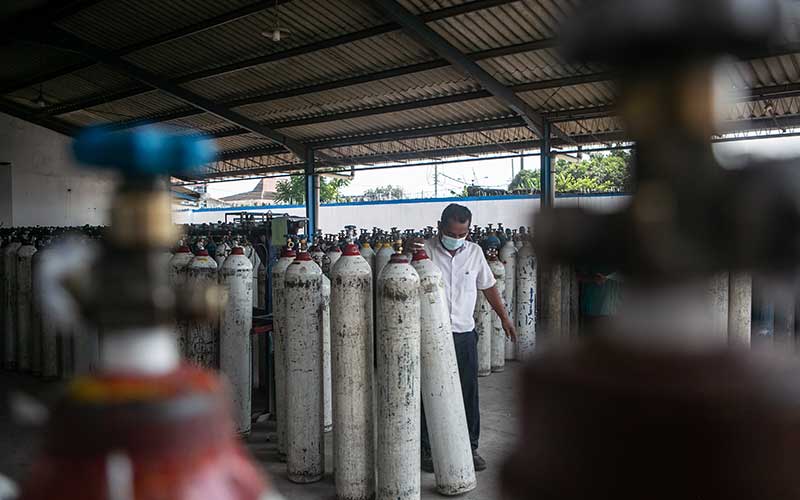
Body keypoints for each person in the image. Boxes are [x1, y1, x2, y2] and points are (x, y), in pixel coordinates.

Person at [417, 203, 517, 473]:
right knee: (428, 391)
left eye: (463, 234)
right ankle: (426, 449)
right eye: (452, 233)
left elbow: (488, 287)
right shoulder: (424, 252)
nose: (458, 239)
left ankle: (470, 446)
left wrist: (504, 317)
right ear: (440, 227)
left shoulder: (474, 253)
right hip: (430, 335)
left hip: (463, 335)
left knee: (468, 392)